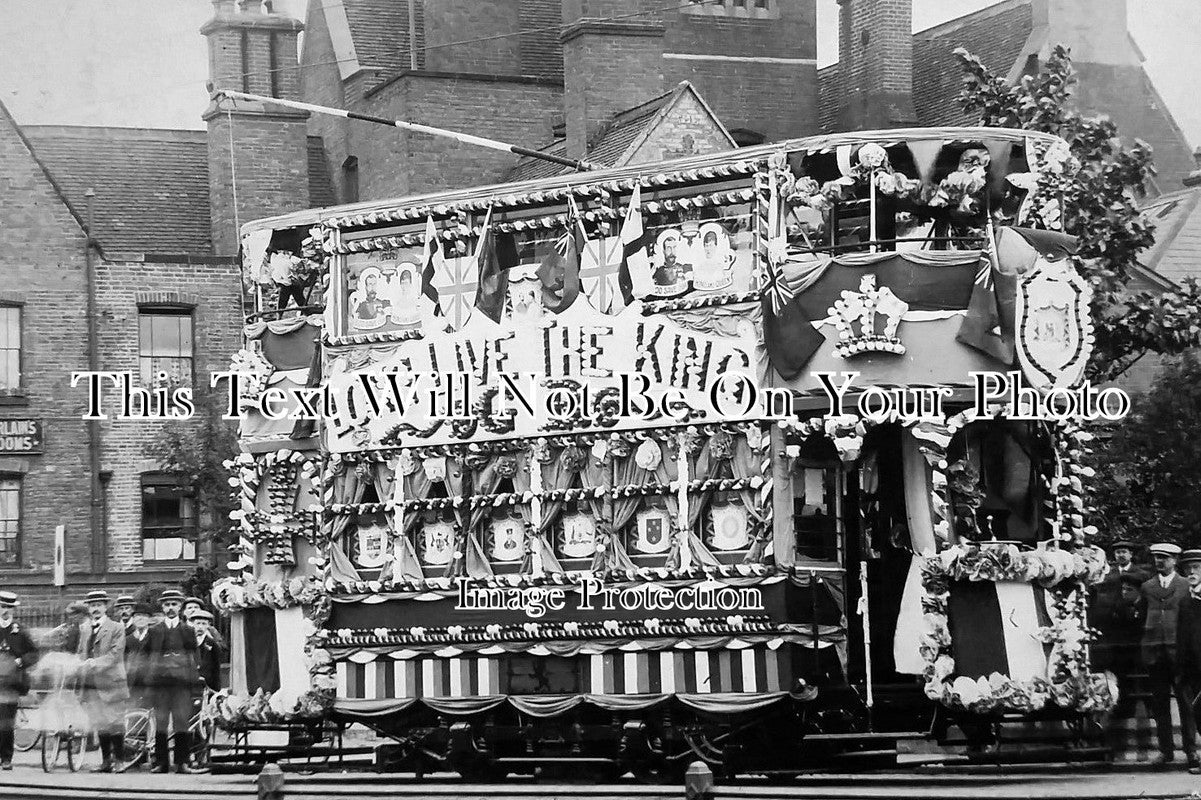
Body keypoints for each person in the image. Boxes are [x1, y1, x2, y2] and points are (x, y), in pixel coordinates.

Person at [1139, 542, 1196, 767]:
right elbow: (1143, 616)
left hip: (1179, 653)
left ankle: (1191, 750)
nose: (1159, 562)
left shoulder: (1185, 585)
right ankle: (1166, 751)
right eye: (1156, 557)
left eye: (1164, 557)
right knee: (1160, 704)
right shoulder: (1147, 587)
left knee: (1186, 703)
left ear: (1175, 560)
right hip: (1155, 651)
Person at [146, 588, 200, 774]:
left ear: (180, 607)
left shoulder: (188, 630)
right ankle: (162, 763)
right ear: (162, 607)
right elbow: (148, 658)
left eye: (174, 604)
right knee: (161, 723)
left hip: (181, 684)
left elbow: (194, 659)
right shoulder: (154, 631)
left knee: (181, 722)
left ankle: (182, 762)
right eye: (167, 605)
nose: (170, 608)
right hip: (161, 684)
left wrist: (194, 688)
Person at [76, 590, 129, 773]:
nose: (95, 609)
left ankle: (120, 760)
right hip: (91, 684)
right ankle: (106, 761)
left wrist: (94, 663)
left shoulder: (116, 627)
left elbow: (115, 655)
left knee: (115, 722)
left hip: (112, 682)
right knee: (100, 723)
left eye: (99, 605)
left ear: (106, 606)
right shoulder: (85, 629)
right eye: (92, 605)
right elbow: (81, 652)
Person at [1092, 541, 1147, 715]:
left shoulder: (1140, 574)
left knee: (1138, 667)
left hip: (1134, 627)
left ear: (1131, 554)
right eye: (1117, 552)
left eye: (1124, 552)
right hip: (1114, 628)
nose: (1121, 555)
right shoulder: (1108, 574)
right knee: (1118, 668)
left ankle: (1143, 705)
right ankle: (1121, 706)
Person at [0, 591, 36, 771]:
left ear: (13, 610)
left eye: (8, 607)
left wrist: (20, 661)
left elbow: (34, 653)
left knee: (6, 723)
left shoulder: (20, 631)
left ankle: (6, 758)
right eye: (2, 607)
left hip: (12, 684)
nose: (4, 611)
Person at [1176, 549, 1201, 775]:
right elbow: (1182, 635)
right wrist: (1181, 666)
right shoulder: (1186, 601)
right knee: (1197, 713)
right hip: (1192, 667)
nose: (1192, 572)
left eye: (1197, 568)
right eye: (1188, 569)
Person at [188, 610, 223, 692]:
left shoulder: (212, 643)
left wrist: (216, 689)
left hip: (207, 684)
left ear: (208, 625)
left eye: (204, 624)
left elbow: (216, 667)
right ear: (193, 624)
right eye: (198, 623)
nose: (200, 627)